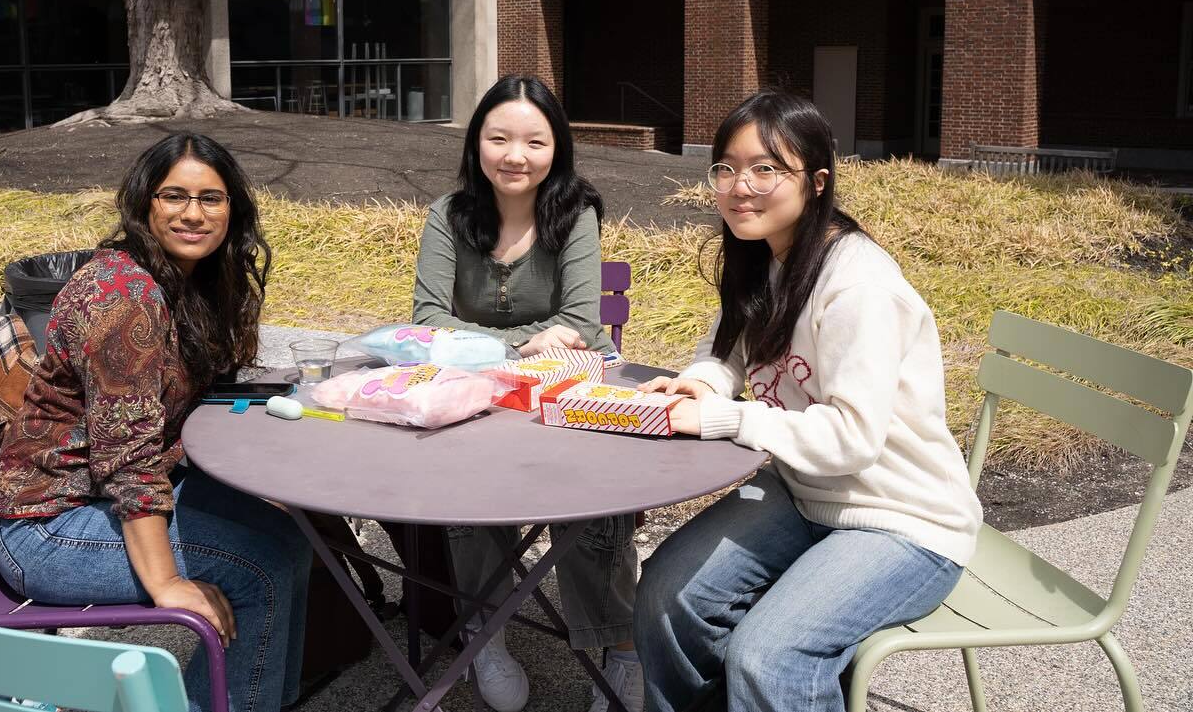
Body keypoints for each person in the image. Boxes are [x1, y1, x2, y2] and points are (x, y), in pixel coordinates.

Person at [634, 91, 982, 712]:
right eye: (726, 167)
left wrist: (725, 416)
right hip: (805, 493)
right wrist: (706, 382)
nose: (740, 186)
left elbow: (851, 438)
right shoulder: (766, 257)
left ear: (816, 182)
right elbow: (732, 354)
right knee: (669, 594)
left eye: (766, 169)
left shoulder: (858, 288)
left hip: (901, 518)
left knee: (771, 656)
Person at [0, 133, 311, 712]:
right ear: (144, 203)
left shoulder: (189, 282)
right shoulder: (122, 296)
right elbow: (128, 461)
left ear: (233, 209)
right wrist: (167, 585)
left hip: (102, 500)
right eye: (174, 196)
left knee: (292, 540)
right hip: (45, 528)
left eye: (211, 198)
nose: (192, 213)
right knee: (259, 569)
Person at [412, 75, 641, 712]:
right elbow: (427, 318)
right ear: (476, 144)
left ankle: (621, 646)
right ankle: (487, 631)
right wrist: (521, 345)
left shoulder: (577, 214)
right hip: (479, 390)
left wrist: (480, 338)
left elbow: (586, 327)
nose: (516, 155)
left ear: (556, 150)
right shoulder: (447, 217)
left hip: (564, 393)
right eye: (500, 138)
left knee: (598, 493)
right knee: (463, 479)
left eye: (534, 141)